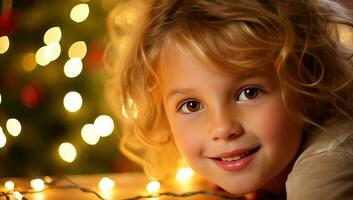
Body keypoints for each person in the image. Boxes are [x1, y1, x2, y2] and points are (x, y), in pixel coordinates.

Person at [106, 0, 353, 199]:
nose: (223, 128)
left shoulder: (325, 172)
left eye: (249, 93)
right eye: (191, 105)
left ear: (306, 81)